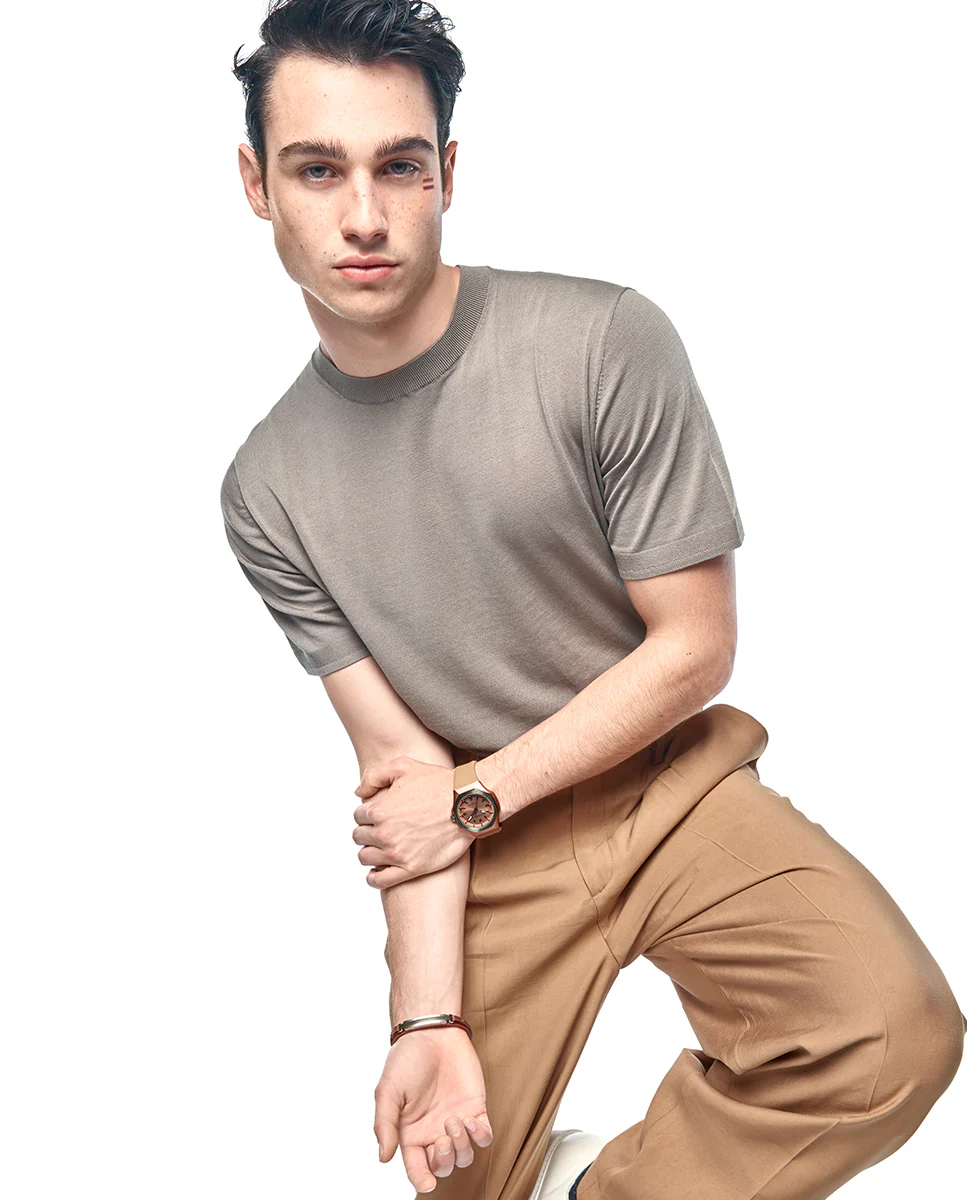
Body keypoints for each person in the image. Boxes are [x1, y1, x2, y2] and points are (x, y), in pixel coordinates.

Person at [219, 3, 966, 1197]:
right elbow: (403, 771)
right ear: (257, 184)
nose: (362, 215)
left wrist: (474, 797)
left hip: (660, 784)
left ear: (446, 172)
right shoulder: (267, 488)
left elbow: (693, 647)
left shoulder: (602, 342)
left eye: (398, 167)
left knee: (889, 1038)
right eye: (318, 170)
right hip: (487, 852)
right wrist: (425, 1022)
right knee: (457, 1169)